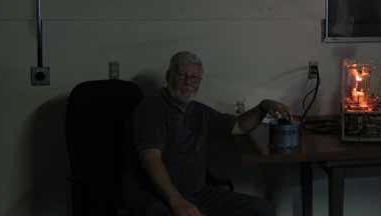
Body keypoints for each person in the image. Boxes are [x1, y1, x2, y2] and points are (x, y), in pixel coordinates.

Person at [124, 51, 290, 216]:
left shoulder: (199, 111)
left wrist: (262, 107)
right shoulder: (151, 108)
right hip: (161, 197)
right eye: (182, 75)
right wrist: (177, 201)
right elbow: (151, 159)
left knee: (263, 210)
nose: (188, 82)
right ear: (169, 76)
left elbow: (238, 126)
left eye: (195, 77)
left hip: (198, 194)